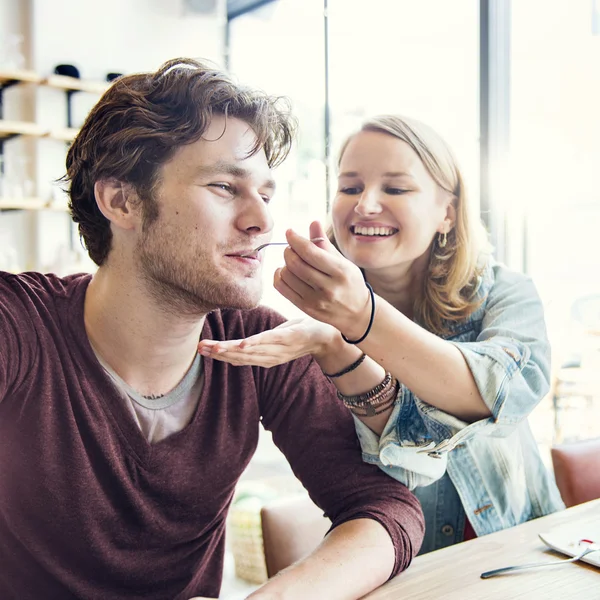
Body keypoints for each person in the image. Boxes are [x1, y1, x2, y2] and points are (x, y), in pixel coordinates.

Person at [0, 63, 425, 600]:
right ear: (121, 201)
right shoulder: (18, 325)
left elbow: (386, 509)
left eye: (265, 194)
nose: (261, 221)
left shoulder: (257, 345)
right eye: (225, 186)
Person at [199, 114, 565, 555]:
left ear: (446, 213)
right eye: (350, 187)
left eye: (395, 188)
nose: (366, 205)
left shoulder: (503, 292)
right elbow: (394, 472)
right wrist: (336, 341)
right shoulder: (313, 334)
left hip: (527, 552)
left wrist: (362, 320)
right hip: (406, 572)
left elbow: (506, 391)